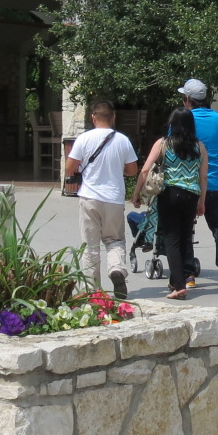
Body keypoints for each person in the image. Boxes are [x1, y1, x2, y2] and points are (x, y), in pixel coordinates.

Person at [65, 99, 139, 300]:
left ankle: (92, 291)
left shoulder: (84, 139)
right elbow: (132, 170)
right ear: (113, 117)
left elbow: (69, 168)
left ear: (93, 117)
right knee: (114, 240)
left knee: (90, 246)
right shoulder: (123, 140)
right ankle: (116, 269)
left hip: (89, 197)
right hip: (114, 198)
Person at [134, 109, 206, 300]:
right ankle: (175, 281)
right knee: (184, 239)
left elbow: (145, 170)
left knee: (171, 239)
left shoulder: (163, 144)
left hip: (169, 194)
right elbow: (203, 177)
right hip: (191, 196)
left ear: (172, 124)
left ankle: (179, 286)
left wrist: (136, 193)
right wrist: (202, 201)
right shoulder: (199, 147)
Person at [177, 78, 218, 291]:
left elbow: (172, 146)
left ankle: (188, 275)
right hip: (214, 182)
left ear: (187, 99)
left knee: (184, 228)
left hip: (187, 183)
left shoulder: (184, 119)